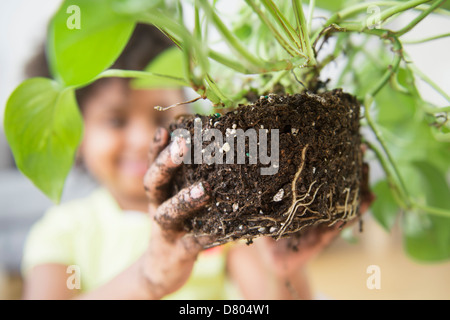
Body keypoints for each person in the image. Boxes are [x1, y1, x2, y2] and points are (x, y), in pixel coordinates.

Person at [20, 24, 372, 300]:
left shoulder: (216, 217)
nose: (143, 139)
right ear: (75, 135)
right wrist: (148, 281)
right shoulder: (64, 231)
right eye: (116, 121)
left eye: (162, 119)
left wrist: (281, 271)